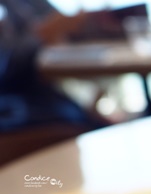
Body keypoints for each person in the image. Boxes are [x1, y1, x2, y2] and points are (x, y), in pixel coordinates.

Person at [0, 0, 110, 165]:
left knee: (99, 124)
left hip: (46, 98)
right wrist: (40, 36)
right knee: (95, 128)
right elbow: (6, 67)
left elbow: (58, 24)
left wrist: (77, 24)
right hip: (16, 108)